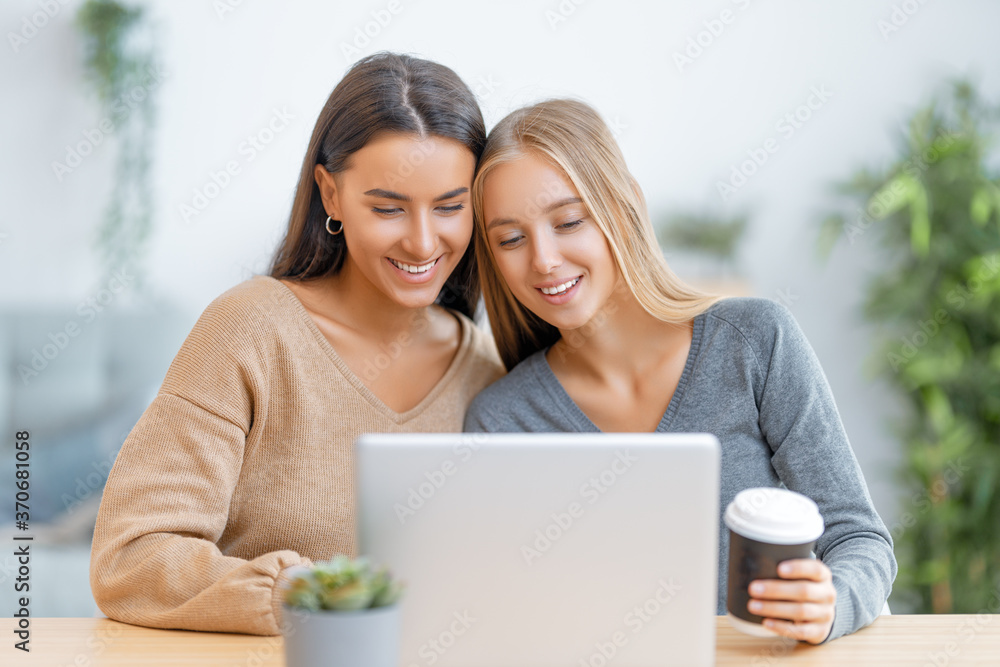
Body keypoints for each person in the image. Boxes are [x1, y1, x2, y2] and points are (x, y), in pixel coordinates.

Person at [90, 53, 505, 636]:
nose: (421, 241)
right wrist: (295, 594)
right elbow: (129, 557)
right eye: (387, 208)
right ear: (330, 195)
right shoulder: (248, 330)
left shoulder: (486, 371)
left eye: (450, 207)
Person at [463, 98, 896, 644]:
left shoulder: (754, 342)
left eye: (569, 221)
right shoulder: (502, 421)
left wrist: (830, 603)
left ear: (626, 207)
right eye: (510, 239)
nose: (543, 259)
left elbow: (859, 538)